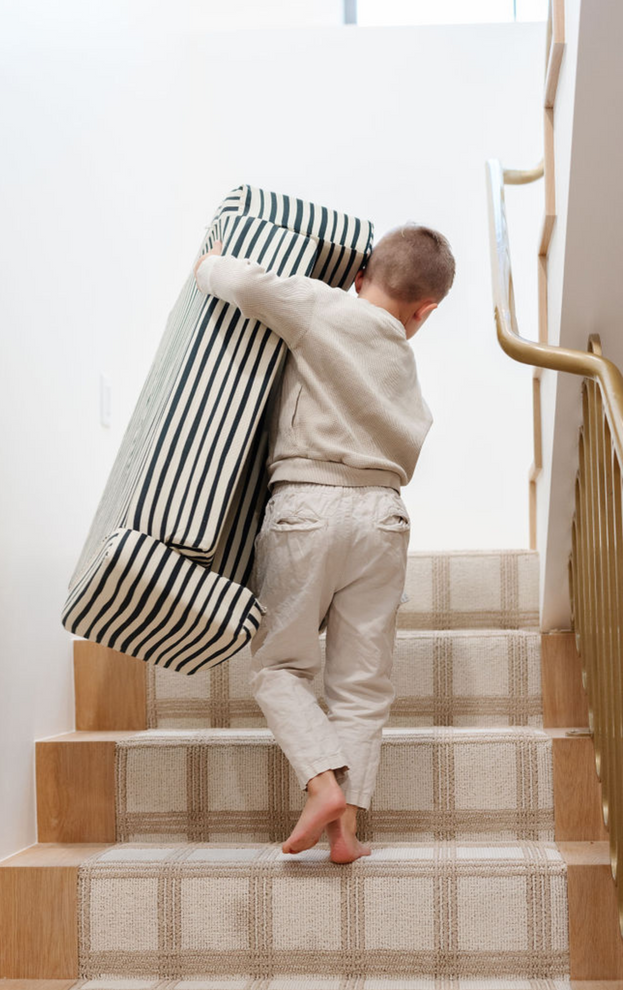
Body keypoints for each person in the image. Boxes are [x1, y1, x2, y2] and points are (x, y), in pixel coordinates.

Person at [193, 222, 455, 864]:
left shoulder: (323, 305)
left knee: (280, 664)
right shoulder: (404, 355)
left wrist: (206, 263)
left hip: (307, 505)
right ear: (427, 311)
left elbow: (244, 283)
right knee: (363, 684)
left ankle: (320, 785)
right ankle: (347, 832)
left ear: (360, 278)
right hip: (384, 517)